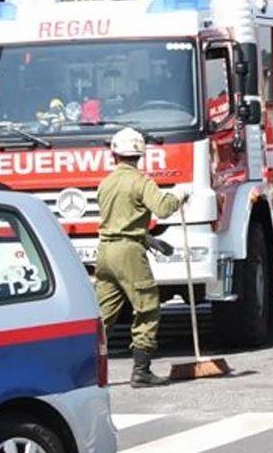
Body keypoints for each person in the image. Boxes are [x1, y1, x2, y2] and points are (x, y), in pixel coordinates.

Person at [95, 127, 186, 388]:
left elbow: (119, 220)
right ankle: (141, 371)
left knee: (103, 314)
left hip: (105, 252)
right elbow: (163, 208)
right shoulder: (140, 181)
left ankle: (82, 369)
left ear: (114, 154)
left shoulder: (106, 183)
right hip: (129, 253)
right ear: (140, 155)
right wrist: (180, 195)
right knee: (147, 306)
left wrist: (150, 240)